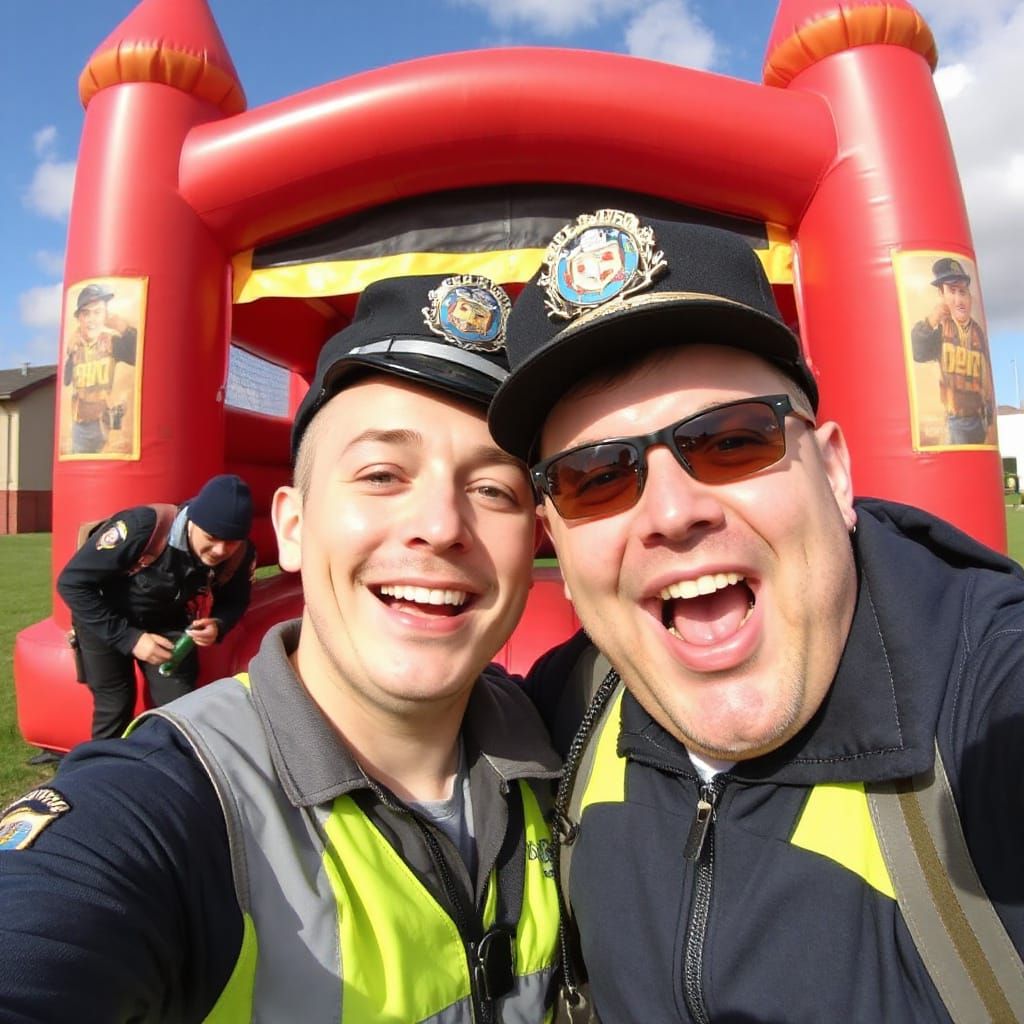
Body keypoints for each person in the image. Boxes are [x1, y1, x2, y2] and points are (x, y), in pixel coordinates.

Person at [488, 210, 1024, 1022]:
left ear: (835, 473)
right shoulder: (566, 710)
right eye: (595, 478)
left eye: (732, 441)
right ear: (555, 537)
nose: (672, 511)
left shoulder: (989, 700)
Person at [0, 275, 561, 1022]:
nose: (440, 524)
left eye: (494, 490)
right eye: (382, 475)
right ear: (292, 527)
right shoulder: (170, 804)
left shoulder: (567, 742)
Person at [56, 473, 257, 741]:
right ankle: (100, 771)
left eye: (231, 541)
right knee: (115, 704)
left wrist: (219, 624)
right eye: (211, 536)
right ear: (193, 520)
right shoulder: (142, 527)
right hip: (105, 617)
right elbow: (72, 583)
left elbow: (236, 599)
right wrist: (130, 638)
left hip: (166, 622)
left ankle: (164, 770)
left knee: (181, 708)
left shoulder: (240, 553)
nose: (220, 549)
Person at [911, 256, 994, 445]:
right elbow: (918, 351)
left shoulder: (978, 332)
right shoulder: (940, 328)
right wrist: (933, 318)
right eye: (952, 291)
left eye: (963, 292)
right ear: (941, 296)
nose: (959, 300)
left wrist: (989, 423)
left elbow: (986, 380)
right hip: (954, 422)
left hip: (979, 420)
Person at [62, 282, 138, 454]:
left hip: (108, 424)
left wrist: (124, 329)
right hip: (80, 426)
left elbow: (139, 355)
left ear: (105, 316)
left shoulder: (110, 342)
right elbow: (66, 380)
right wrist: (69, 354)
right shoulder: (75, 346)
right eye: (86, 313)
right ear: (79, 318)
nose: (91, 319)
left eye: (97, 312)